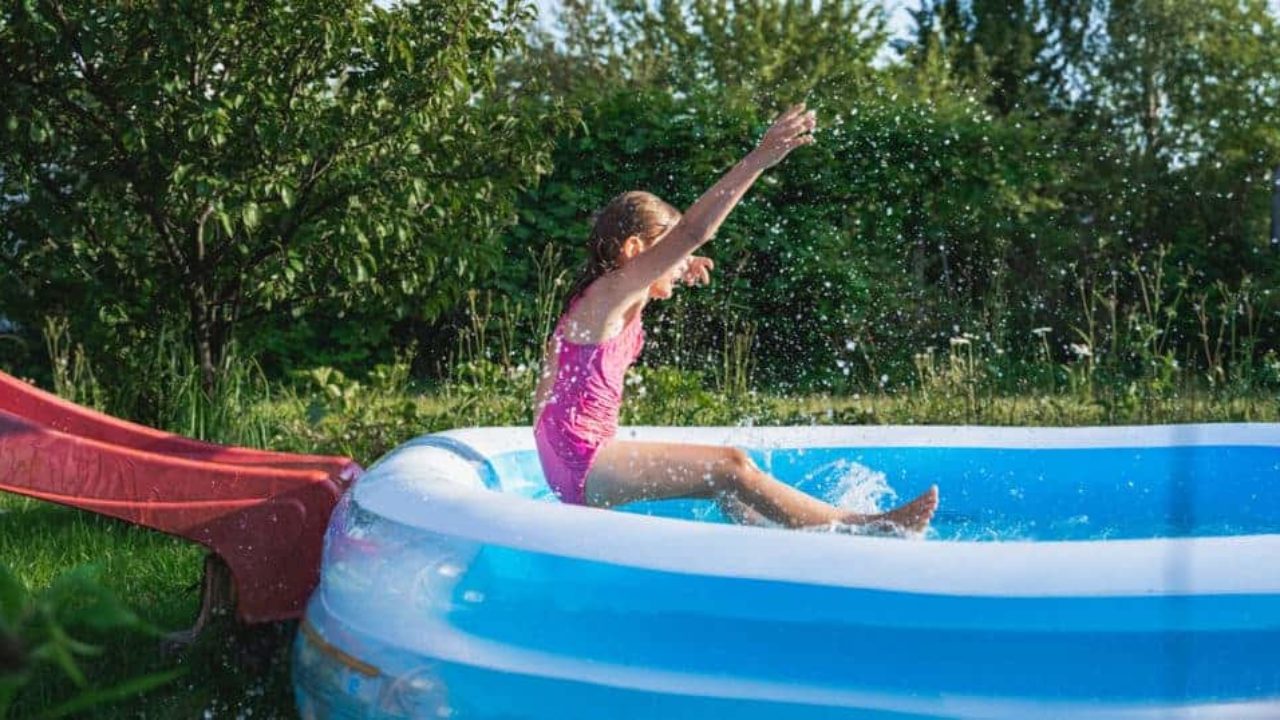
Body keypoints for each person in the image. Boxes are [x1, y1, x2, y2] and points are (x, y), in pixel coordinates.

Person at [532, 103, 938, 532]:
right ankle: (866, 527)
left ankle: (779, 544)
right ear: (634, 250)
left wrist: (676, 264)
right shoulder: (609, 294)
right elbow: (693, 231)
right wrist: (759, 158)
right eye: (670, 251)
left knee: (726, 486)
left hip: (573, 456)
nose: (682, 256)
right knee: (730, 466)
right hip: (583, 459)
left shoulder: (608, 302)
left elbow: (552, 371)